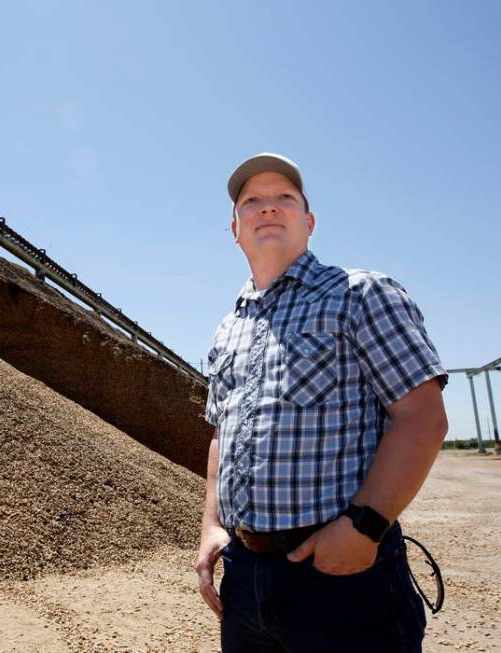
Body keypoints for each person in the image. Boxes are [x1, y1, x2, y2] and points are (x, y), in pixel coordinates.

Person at [195, 153, 449, 652]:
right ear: (235, 228)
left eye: (284, 198)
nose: (267, 208)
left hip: (342, 578)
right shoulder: (230, 328)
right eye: (252, 202)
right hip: (244, 576)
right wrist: (210, 527)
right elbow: (220, 435)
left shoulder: (360, 294)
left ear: (308, 222)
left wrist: (365, 526)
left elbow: (421, 416)